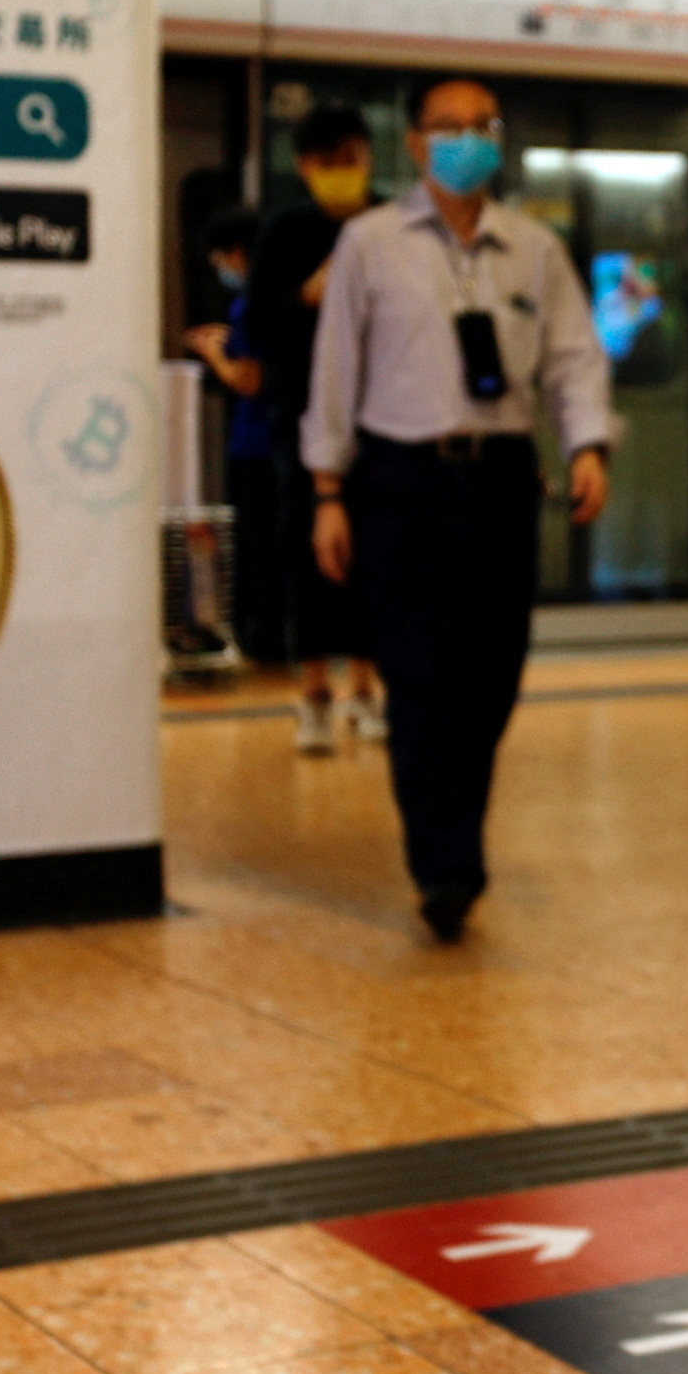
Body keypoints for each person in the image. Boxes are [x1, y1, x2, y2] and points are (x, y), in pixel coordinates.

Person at [305, 78, 613, 941]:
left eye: (483, 127)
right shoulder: (369, 244)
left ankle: (453, 837)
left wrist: (585, 445)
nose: (468, 140)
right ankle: (445, 866)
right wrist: (327, 490)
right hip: (400, 483)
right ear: (414, 144)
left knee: (492, 677)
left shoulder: (533, 249)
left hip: (503, 479)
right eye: (450, 128)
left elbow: (572, 359)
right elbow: (334, 372)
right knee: (421, 677)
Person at [248, 105, 387, 750]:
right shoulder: (284, 233)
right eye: (331, 164)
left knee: (375, 555)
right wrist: (311, 294)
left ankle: (366, 687)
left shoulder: (392, 224)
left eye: (354, 160)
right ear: (305, 168)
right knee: (305, 554)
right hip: (300, 419)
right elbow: (260, 324)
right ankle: (311, 694)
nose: (345, 174)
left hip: (384, 418)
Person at [180, 205, 285, 665]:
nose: (222, 270)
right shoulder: (283, 300)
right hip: (281, 442)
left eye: (222, 259)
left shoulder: (252, 303)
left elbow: (249, 378)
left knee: (259, 548)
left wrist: (212, 355)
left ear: (238, 253)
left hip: (256, 443)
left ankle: (263, 641)